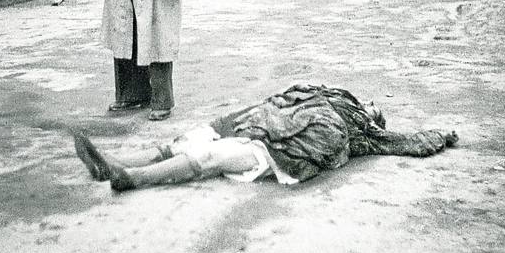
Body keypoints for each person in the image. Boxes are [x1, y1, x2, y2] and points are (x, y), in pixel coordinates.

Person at [73, 83, 458, 192]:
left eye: (375, 110)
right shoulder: (323, 93)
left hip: (276, 151)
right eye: (371, 104)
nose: (372, 105)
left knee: (212, 157)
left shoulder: (360, 132)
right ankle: (113, 164)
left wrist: (442, 134)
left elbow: (408, 142)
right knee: (187, 140)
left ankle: (130, 178)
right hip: (255, 125)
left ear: (373, 120)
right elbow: (278, 98)